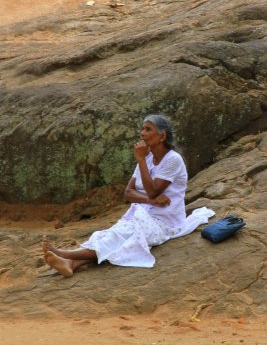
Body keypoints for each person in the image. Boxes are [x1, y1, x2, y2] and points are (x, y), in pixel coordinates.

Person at [43, 114, 214, 277]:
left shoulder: (172, 159)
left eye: (148, 129)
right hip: (142, 213)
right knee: (113, 235)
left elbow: (153, 189)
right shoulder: (147, 159)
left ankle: (65, 254)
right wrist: (149, 199)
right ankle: (71, 264)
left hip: (166, 221)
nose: (142, 133)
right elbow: (128, 193)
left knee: (121, 236)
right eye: (142, 129)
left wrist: (141, 161)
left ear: (162, 136)